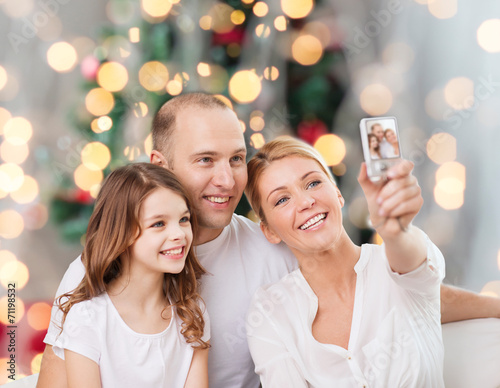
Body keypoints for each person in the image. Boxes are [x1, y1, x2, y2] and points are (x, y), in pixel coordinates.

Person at [38, 92, 500, 388]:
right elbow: (57, 377)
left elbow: (394, 290)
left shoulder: (274, 249)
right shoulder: (99, 270)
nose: (225, 179)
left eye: (236, 158)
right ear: (159, 162)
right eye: (205, 160)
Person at [245, 136, 444, 387]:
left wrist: (395, 230)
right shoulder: (271, 310)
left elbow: (411, 261)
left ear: (337, 193)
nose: (306, 202)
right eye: (282, 200)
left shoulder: (396, 264)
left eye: (313, 183)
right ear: (269, 231)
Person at [51, 163, 210, 387]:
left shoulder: (191, 314)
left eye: (183, 219)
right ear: (122, 234)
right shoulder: (88, 319)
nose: (178, 234)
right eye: (158, 224)